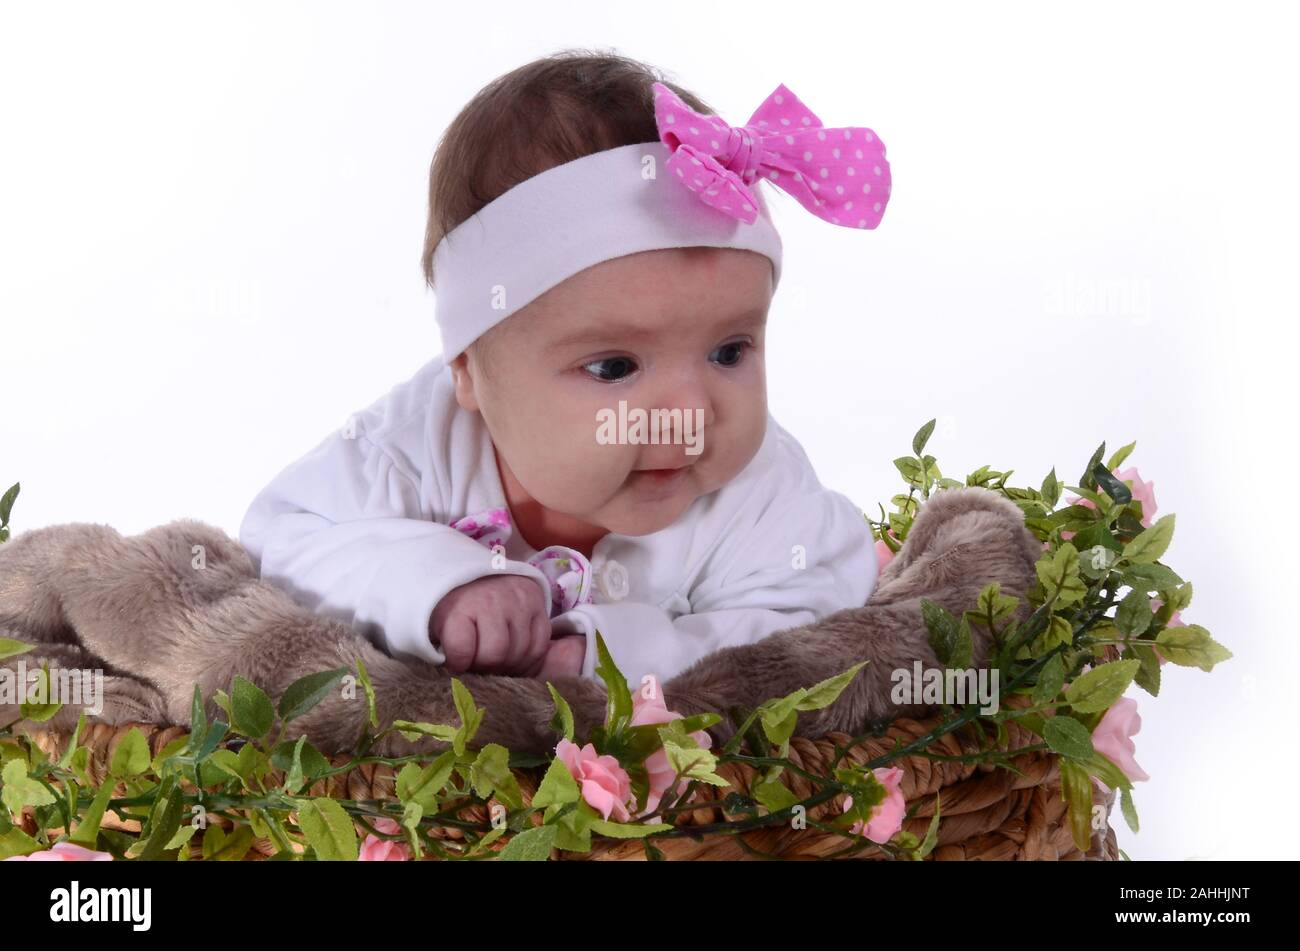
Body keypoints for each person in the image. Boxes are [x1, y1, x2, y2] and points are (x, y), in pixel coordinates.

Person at [239, 50, 892, 691]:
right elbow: (282, 541)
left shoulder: (760, 488)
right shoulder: (408, 448)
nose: (689, 410)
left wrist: (610, 656)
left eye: (729, 351)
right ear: (468, 368)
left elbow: (818, 615)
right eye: (614, 366)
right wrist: (437, 585)